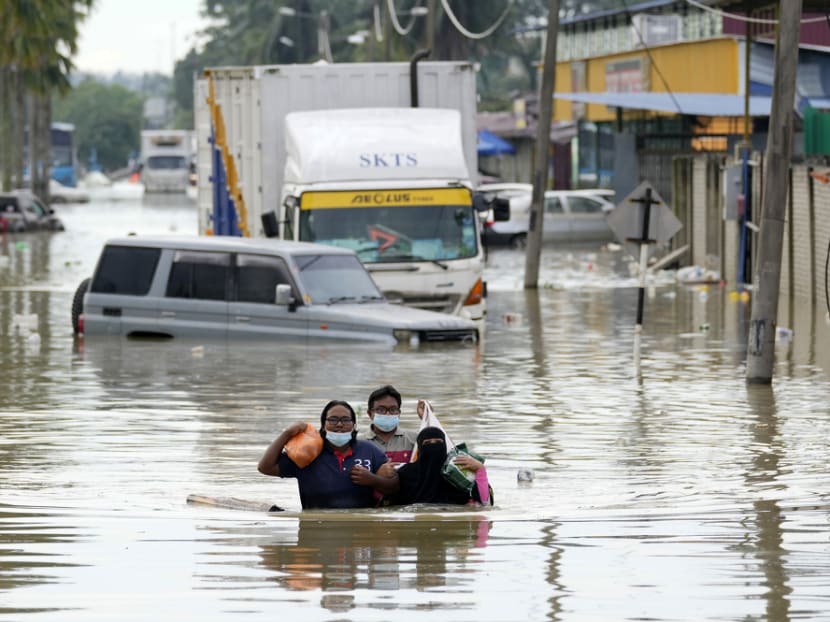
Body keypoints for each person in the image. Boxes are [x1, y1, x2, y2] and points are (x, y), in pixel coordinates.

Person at [257, 400, 397, 509]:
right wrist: (287, 433)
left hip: (358, 536)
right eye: (333, 419)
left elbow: (395, 486)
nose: (340, 424)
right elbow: (265, 467)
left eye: (346, 420)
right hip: (316, 535)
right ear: (323, 425)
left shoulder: (368, 450)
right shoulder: (308, 453)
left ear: (354, 425)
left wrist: (372, 479)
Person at [389, 427, 492, 506]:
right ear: (420, 447)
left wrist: (481, 471)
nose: (433, 446)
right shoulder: (406, 474)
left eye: (438, 442)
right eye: (427, 443)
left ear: (444, 446)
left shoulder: (457, 471)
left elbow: (485, 503)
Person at [365, 385, 419, 465]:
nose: (388, 414)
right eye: (381, 410)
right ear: (370, 414)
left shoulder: (415, 440)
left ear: (399, 413)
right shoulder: (358, 443)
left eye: (393, 409)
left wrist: (427, 416)